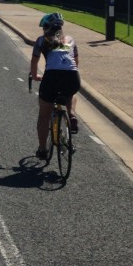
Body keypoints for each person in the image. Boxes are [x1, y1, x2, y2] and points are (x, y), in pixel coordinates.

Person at [29, 12, 80, 160]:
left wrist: (35, 75)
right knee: (71, 93)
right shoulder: (71, 40)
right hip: (72, 76)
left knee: (44, 115)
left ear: (47, 27)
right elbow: (75, 62)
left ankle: (43, 149)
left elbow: (34, 62)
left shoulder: (41, 40)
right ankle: (71, 113)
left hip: (52, 77)